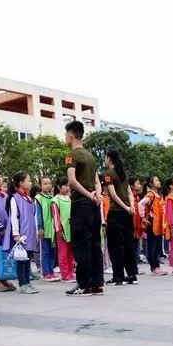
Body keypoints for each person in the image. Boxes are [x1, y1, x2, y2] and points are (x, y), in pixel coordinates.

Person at [63, 121, 104, 296]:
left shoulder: (72, 156)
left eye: (65, 135)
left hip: (81, 204)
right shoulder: (91, 156)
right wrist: (97, 195)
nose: (65, 138)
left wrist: (88, 195)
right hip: (94, 206)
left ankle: (83, 284)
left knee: (82, 245)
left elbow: (71, 181)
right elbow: (97, 182)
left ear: (71, 135)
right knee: (95, 244)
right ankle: (97, 284)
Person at [103, 150, 139, 285]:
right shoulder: (123, 174)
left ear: (109, 158)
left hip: (116, 212)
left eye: (106, 157)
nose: (105, 160)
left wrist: (125, 207)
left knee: (115, 245)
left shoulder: (109, 175)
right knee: (129, 244)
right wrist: (131, 207)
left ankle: (118, 276)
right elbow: (130, 193)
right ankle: (131, 275)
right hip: (127, 214)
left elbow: (113, 195)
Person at [4, 172, 39, 294]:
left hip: (29, 233)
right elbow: (13, 217)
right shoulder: (15, 198)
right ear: (21, 183)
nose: (30, 183)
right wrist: (16, 234)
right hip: (21, 234)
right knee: (21, 260)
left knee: (28, 259)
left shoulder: (29, 199)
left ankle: (28, 282)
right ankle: (22, 284)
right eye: (28, 180)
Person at [139, 176, 166, 275]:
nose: (159, 182)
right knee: (152, 246)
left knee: (158, 246)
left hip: (159, 225)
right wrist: (143, 217)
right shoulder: (150, 195)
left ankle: (157, 266)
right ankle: (154, 266)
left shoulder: (158, 195)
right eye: (157, 180)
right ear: (151, 183)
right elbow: (140, 204)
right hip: (152, 224)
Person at [34, 176, 58, 282]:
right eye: (45, 184)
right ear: (40, 185)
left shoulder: (53, 198)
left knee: (53, 251)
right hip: (44, 229)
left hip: (53, 229)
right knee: (45, 252)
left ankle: (51, 271)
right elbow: (38, 215)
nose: (48, 185)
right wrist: (40, 228)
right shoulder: (38, 199)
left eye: (49, 183)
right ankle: (45, 273)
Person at [51, 176, 75, 281]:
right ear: (59, 187)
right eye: (65, 185)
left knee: (70, 253)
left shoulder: (70, 198)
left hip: (71, 229)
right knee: (63, 253)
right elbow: (55, 216)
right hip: (61, 230)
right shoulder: (55, 200)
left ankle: (71, 272)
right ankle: (65, 274)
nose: (67, 187)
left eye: (68, 185)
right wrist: (58, 230)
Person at [129, 178, 145, 266]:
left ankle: (135, 267)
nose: (140, 185)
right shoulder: (130, 199)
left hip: (137, 229)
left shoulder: (137, 198)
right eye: (138, 184)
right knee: (133, 247)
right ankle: (133, 267)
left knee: (137, 247)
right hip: (133, 229)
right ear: (132, 186)